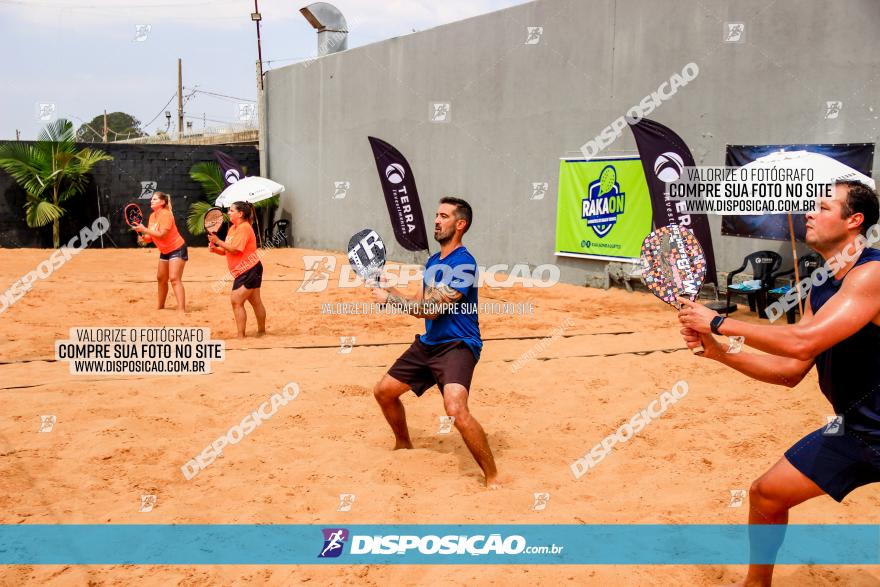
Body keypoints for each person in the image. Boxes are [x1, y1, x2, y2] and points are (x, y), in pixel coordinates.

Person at [677, 180, 880, 586]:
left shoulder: (873, 273)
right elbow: (791, 369)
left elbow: (806, 339)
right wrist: (719, 352)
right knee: (767, 494)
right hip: (857, 429)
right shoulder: (821, 282)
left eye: (824, 207)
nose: (810, 212)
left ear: (854, 220)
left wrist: (718, 321)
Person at [371, 197, 499, 488]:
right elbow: (419, 302)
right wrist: (388, 286)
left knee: (455, 408)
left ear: (460, 224)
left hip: (458, 344)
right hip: (429, 343)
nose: (437, 220)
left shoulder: (464, 263)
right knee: (383, 392)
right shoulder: (433, 261)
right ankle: (403, 444)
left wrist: (388, 300)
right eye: (436, 215)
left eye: (444, 216)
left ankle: (492, 477)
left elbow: (431, 309)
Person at [208, 201, 267, 338]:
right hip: (246, 270)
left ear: (240, 214)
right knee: (255, 301)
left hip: (248, 270)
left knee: (236, 301)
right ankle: (262, 332)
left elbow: (235, 249)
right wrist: (215, 249)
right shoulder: (233, 228)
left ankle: (241, 336)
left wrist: (218, 241)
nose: (228, 212)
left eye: (231, 210)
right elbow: (226, 250)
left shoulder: (244, 227)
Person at [133, 191, 187, 314]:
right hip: (165, 250)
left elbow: (162, 234)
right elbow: (150, 237)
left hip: (177, 248)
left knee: (174, 278)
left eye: (155, 199)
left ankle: (181, 310)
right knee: (161, 278)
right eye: (152, 199)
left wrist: (144, 229)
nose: (151, 200)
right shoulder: (152, 216)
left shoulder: (166, 214)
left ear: (162, 202)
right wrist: (142, 235)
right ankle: (160, 306)